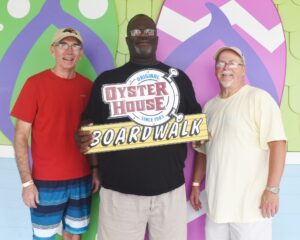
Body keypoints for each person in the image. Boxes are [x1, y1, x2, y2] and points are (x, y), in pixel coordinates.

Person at [79, 14, 201, 240]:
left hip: (169, 192)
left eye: (148, 32)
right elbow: (88, 125)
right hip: (119, 193)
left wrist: (201, 133)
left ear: (156, 38)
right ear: (127, 40)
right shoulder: (106, 81)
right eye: (136, 32)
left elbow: (196, 125)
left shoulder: (180, 80)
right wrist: (88, 147)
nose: (142, 36)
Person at [11, 28, 100, 240]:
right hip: (46, 181)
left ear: (80, 53)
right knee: (44, 237)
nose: (69, 51)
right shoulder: (34, 84)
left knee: (74, 235)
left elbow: (91, 133)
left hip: (81, 178)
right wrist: (27, 183)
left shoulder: (88, 87)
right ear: (53, 50)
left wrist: (95, 168)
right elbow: (21, 136)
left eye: (75, 45)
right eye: (63, 44)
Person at [190, 46, 287, 240]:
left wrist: (272, 190)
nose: (226, 67)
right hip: (216, 208)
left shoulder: (258, 98)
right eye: (221, 63)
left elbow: (278, 144)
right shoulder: (209, 107)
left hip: (250, 209)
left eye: (233, 63)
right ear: (216, 70)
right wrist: (195, 183)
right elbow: (203, 150)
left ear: (243, 69)